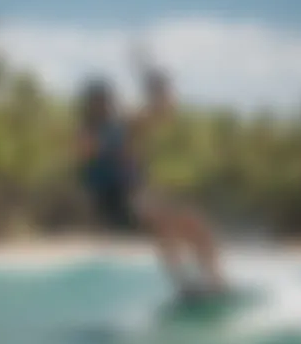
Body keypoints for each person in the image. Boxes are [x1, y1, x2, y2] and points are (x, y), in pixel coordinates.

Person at [75, 66, 226, 295]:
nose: (105, 105)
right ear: (90, 105)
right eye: (99, 102)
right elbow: (87, 151)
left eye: (107, 101)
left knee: (195, 224)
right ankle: (185, 285)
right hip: (113, 202)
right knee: (163, 223)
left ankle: (217, 283)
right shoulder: (88, 132)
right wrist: (112, 142)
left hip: (138, 195)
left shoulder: (121, 125)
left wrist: (158, 89)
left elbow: (160, 112)